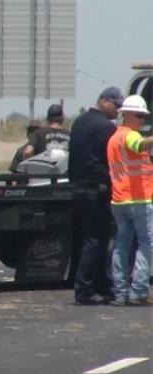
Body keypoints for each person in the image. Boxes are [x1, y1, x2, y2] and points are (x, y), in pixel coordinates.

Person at [68, 87, 123, 305]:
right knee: (97, 240)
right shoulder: (106, 127)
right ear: (103, 101)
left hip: (79, 187)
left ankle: (92, 286)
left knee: (87, 239)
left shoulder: (80, 121)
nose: (118, 110)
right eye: (116, 105)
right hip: (96, 189)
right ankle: (86, 289)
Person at [106, 95, 153, 306]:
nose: (142, 120)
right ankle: (139, 291)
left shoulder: (113, 138)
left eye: (144, 116)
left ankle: (120, 292)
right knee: (147, 244)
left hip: (119, 200)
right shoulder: (129, 136)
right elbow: (140, 145)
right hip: (138, 199)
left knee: (121, 246)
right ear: (125, 115)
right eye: (139, 115)